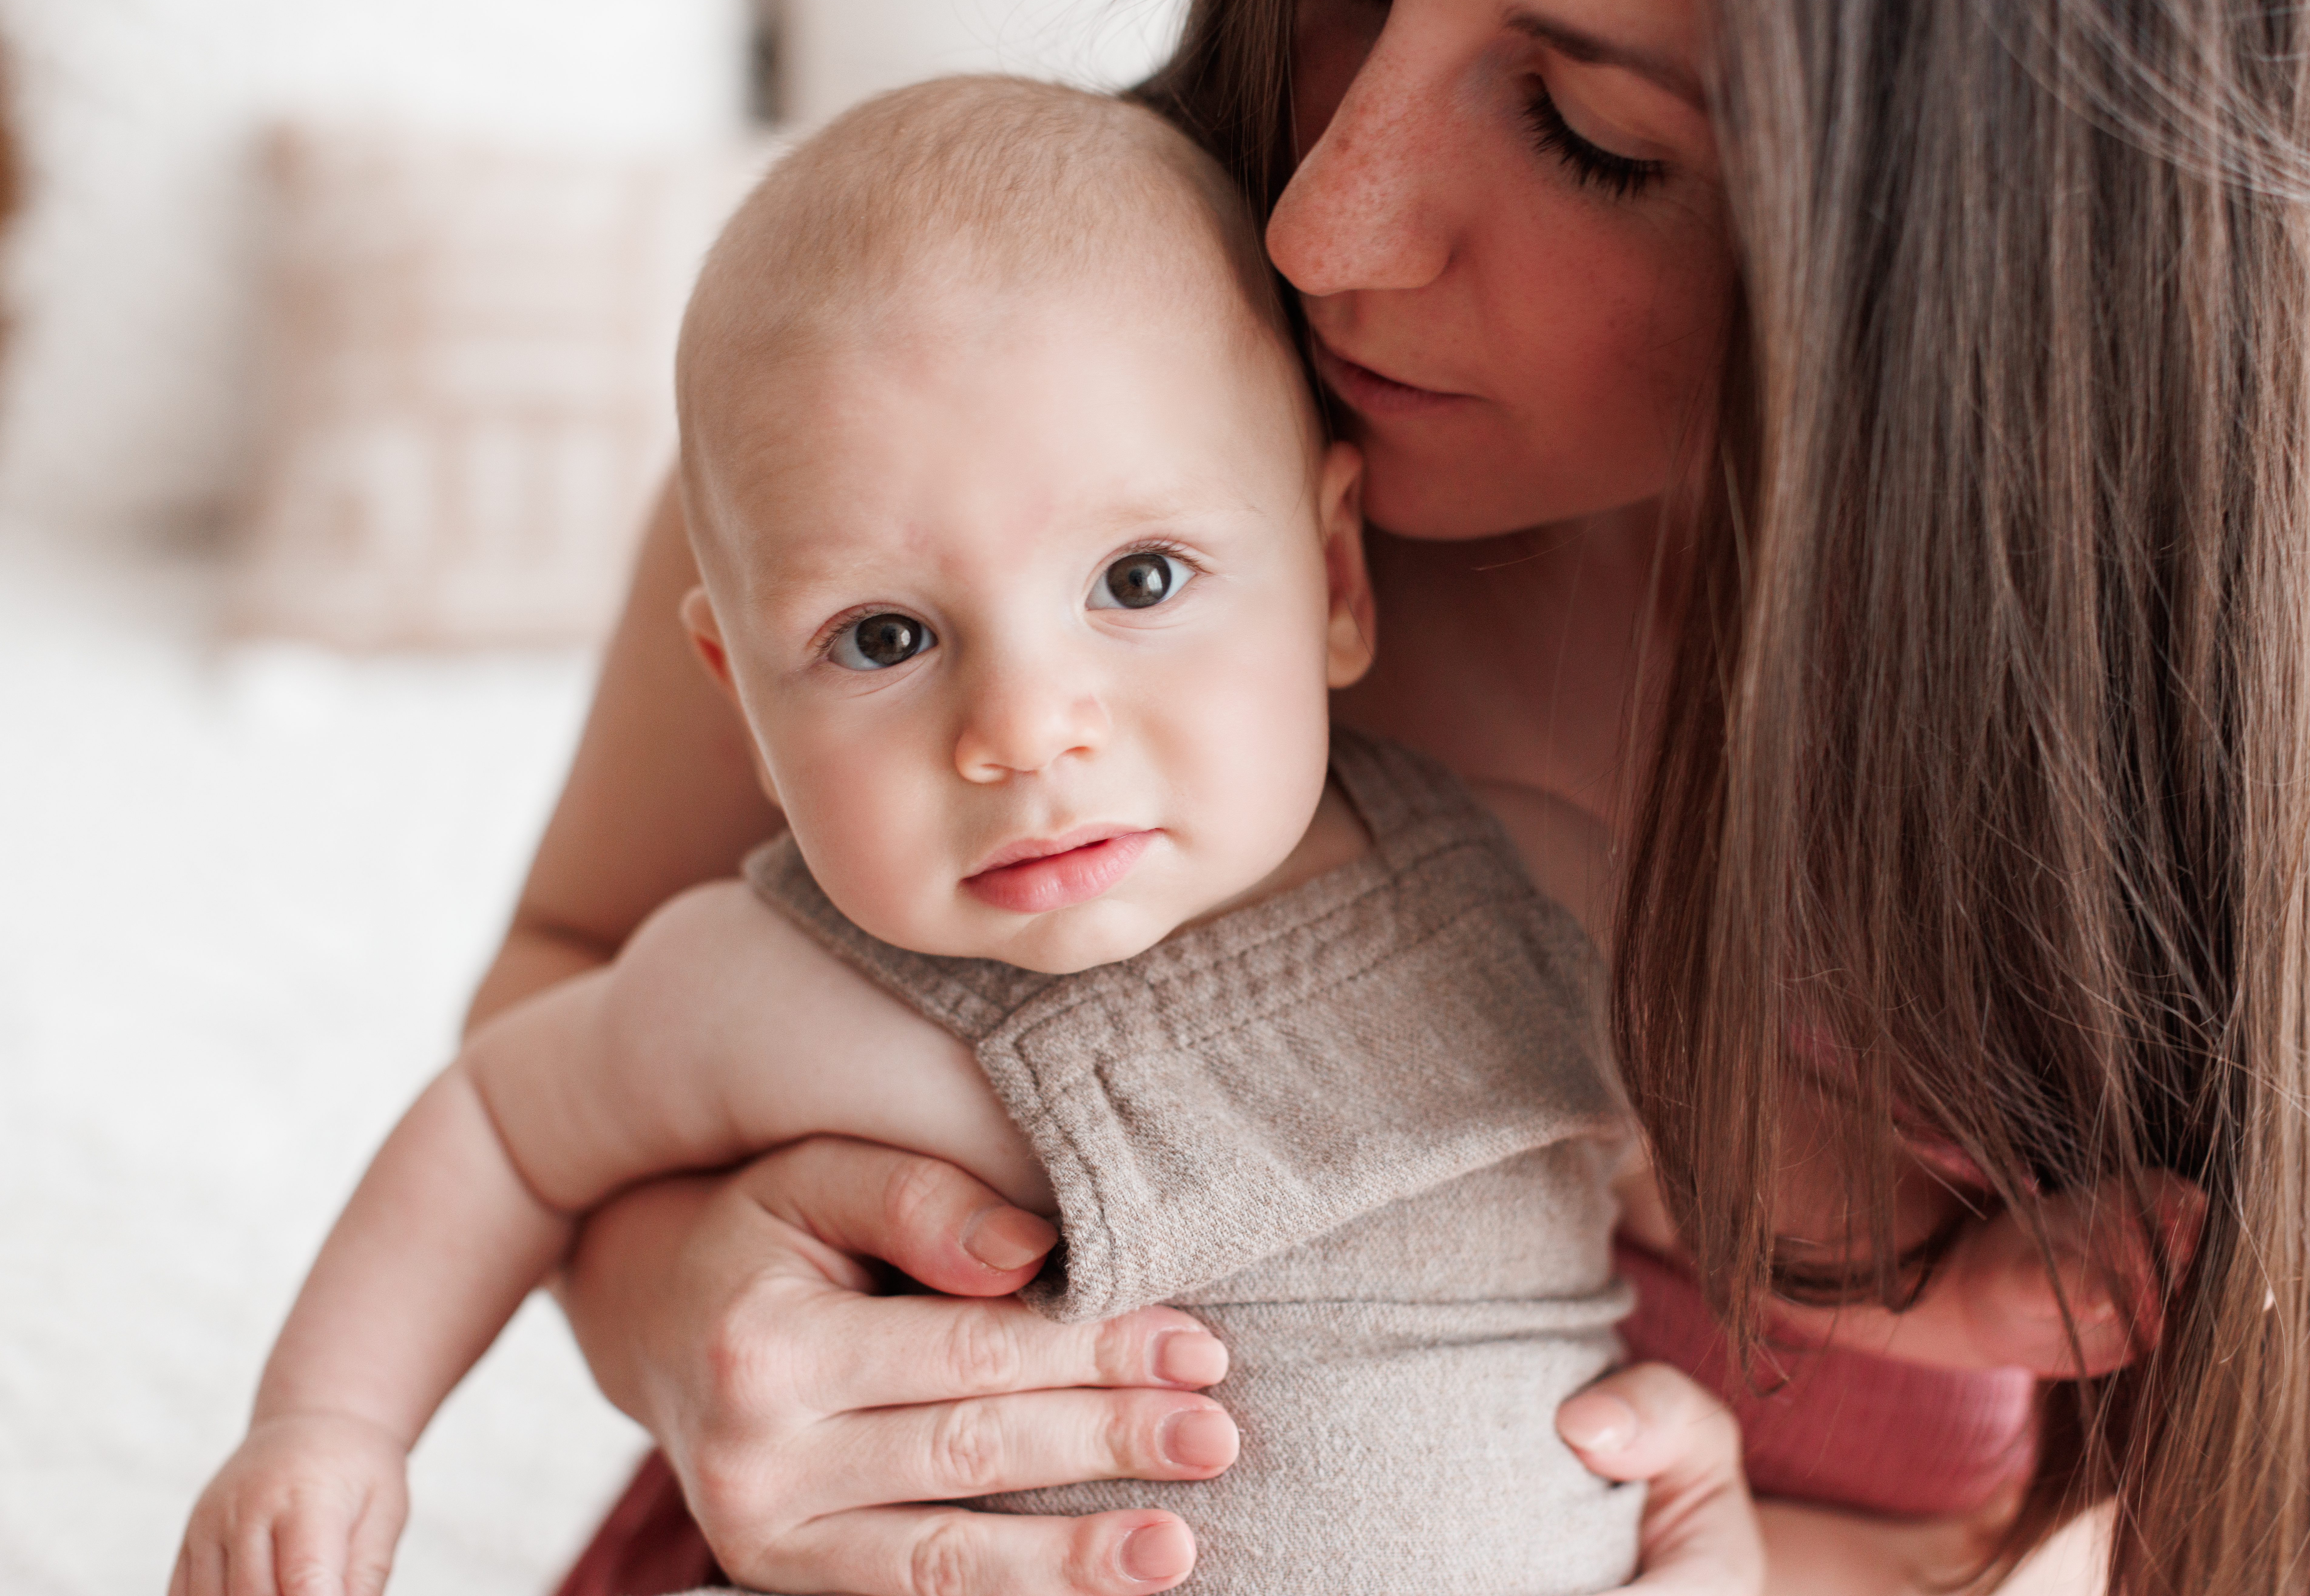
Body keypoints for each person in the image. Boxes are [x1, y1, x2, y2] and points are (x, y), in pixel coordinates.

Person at [483, 0, 2310, 1594]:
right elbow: (567, 996)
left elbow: (2213, 1535)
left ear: (1996, 234)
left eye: (1588, 133)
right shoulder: (982, 393)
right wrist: (684, 1319)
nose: (1319, 213)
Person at [174, 78, 1688, 1596]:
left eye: (1139, 581)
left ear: (1336, 578)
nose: (1023, 728)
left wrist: (1686, 1486)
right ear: (741, 704)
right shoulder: (769, 986)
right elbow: (500, 1128)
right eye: (885, 635)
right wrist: (330, 1426)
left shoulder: (1534, 889)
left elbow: (1710, 1257)